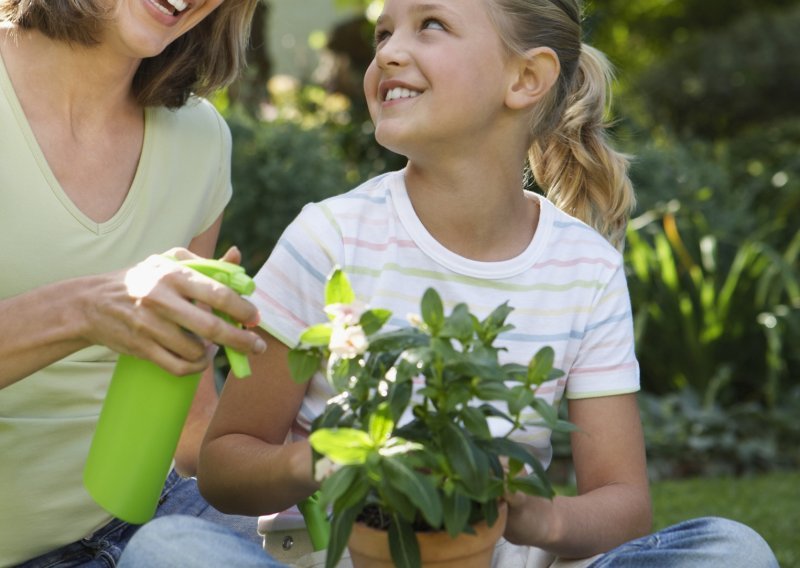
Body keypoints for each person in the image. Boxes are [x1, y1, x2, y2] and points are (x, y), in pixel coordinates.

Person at [121, 0, 778, 566]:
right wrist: (323, 460)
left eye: (429, 24)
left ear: (525, 78)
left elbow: (624, 504)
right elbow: (228, 465)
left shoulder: (584, 266)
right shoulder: (330, 238)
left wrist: (528, 516)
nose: (390, 53)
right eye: (385, 33)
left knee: (733, 550)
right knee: (167, 551)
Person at [0, 0, 277, 566]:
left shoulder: (201, 139)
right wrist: (85, 309)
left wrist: (310, 462)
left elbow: (192, 421)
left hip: (153, 521)